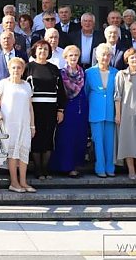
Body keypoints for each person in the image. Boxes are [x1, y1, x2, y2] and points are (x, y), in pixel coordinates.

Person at [0, 57, 37, 192]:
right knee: (12, 152)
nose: (16, 70)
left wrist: (32, 125)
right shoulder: (4, 83)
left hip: (24, 122)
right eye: (13, 67)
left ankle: (23, 182)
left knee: (23, 152)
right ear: (9, 69)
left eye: (19, 68)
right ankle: (14, 183)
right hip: (10, 123)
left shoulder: (26, 85)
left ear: (23, 70)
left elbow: (30, 106)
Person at [24, 39, 68, 179]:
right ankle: (37, 170)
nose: (43, 52)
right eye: (40, 49)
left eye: (45, 49)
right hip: (34, 109)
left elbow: (61, 91)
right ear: (35, 51)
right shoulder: (28, 67)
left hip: (51, 109)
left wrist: (60, 110)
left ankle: (45, 169)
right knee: (36, 138)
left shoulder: (54, 68)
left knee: (49, 138)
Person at [48, 45, 89, 178]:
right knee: (66, 138)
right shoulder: (61, 73)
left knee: (79, 137)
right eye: (70, 55)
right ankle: (64, 166)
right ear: (65, 57)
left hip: (81, 109)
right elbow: (59, 93)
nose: (73, 58)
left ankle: (75, 166)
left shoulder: (83, 73)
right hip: (66, 109)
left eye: (76, 55)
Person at [114, 48, 136, 181]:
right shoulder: (121, 74)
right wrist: (118, 114)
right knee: (128, 142)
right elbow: (117, 95)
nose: (134, 60)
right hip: (126, 113)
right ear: (127, 60)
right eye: (131, 58)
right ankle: (131, 170)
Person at [86, 43, 118, 177]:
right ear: (97, 56)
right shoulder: (89, 72)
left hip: (111, 111)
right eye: (102, 55)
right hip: (95, 111)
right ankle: (100, 168)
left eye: (108, 55)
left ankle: (110, 167)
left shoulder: (116, 72)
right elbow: (86, 93)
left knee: (110, 141)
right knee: (98, 141)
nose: (105, 57)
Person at [0, 30, 27, 96]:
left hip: (19, 92)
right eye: (4, 38)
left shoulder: (22, 55)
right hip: (2, 94)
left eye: (8, 38)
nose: (6, 40)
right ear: (0, 42)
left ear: (14, 41)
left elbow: (26, 74)